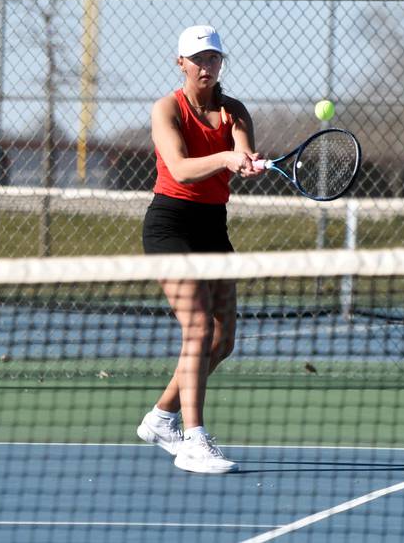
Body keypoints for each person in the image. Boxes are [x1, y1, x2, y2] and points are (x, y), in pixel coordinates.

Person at [136, 25, 264, 473]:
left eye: (213, 58)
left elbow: (242, 150)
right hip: (170, 225)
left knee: (221, 339)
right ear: (181, 63)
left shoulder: (235, 111)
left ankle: (160, 418)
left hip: (213, 227)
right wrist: (225, 159)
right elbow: (181, 168)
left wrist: (244, 160)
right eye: (198, 59)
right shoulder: (166, 109)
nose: (206, 66)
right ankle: (194, 440)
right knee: (196, 330)